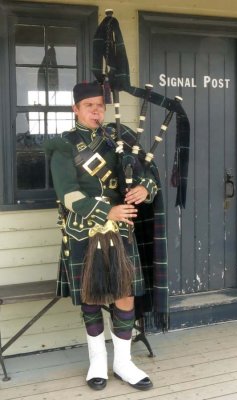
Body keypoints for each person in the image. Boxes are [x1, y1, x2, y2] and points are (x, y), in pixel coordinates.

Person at [44, 81, 168, 391]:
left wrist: (146, 188)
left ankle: (123, 362)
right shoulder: (64, 145)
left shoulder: (119, 140)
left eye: (100, 105)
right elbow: (67, 196)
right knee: (91, 294)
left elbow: (147, 174)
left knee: (125, 294)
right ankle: (97, 361)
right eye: (89, 106)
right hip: (83, 230)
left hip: (120, 230)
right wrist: (106, 213)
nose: (96, 111)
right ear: (76, 109)